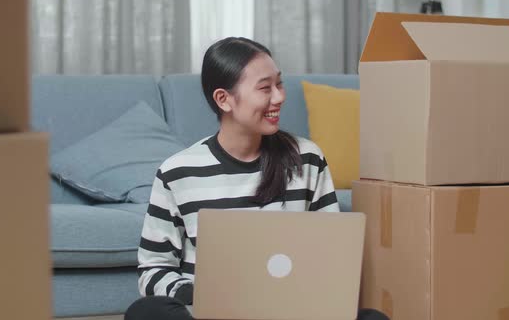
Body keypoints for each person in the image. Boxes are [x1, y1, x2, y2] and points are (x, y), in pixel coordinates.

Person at [125, 37, 389, 320]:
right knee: (146, 312)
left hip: (291, 312)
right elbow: (153, 270)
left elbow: (332, 257)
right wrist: (203, 294)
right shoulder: (177, 172)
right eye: (265, 88)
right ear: (223, 99)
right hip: (211, 314)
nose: (279, 97)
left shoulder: (307, 159)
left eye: (279, 84)